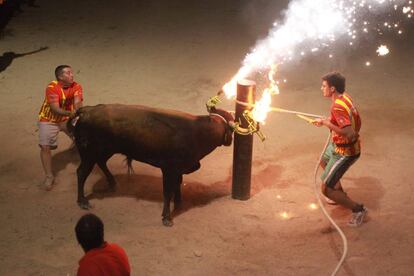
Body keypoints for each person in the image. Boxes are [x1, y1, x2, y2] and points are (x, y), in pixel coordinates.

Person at [313, 72, 367, 227]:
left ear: (332, 88)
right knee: (323, 160)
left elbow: (349, 133)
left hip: (345, 152)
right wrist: (327, 120)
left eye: (324, 86)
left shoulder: (337, 107)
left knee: (326, 190)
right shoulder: (344, 97)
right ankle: (340, 195)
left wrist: (327, 124)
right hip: (338, 145)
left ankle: (358, 210)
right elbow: (344, 120)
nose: (321, 88)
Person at [38, 65, 83, 190]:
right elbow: (55, 109)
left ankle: (82, 160)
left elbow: (78, 102)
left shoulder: (76, 86)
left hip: (67, 119)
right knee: (45, 147)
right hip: (49, 120)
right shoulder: (52, 88)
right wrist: (70, 113)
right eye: (68, 73)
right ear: (60, 77)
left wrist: (78, 110)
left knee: (81, 139)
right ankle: (49, 176)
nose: (72, 75)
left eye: (72, 72)